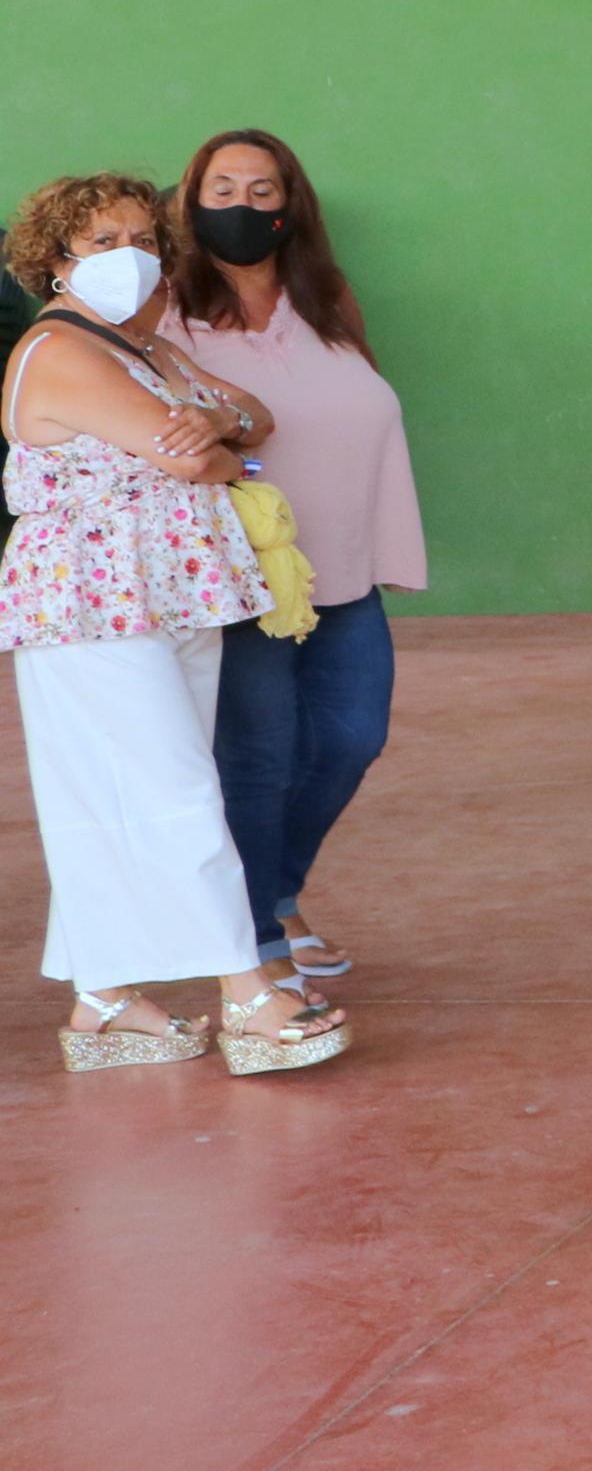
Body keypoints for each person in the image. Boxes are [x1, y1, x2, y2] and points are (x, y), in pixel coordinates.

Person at [5, 172, 348, 1075]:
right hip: (93, 602)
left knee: (118, 794)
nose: (129, 257)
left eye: (140, 239)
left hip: (167, 593)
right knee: (176, 790)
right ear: (54, 265)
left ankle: (107, 997)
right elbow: (197, 459)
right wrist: (217, 438)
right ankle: (247, 991)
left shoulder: (144, 348)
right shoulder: (61, 351)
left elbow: (249, 414)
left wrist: (214, 421)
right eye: (100, 242)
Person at [157, 130, 426, 990]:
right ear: (192, 201)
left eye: (261, 189)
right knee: (259, 756)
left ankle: (270, 890)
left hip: (341, 568)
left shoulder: (327, 296)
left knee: (352, 738)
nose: (242, 204)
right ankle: (259, 939)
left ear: (290, 203)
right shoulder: (166, 308)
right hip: (243, 577)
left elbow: (366, 407)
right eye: (222, 187)